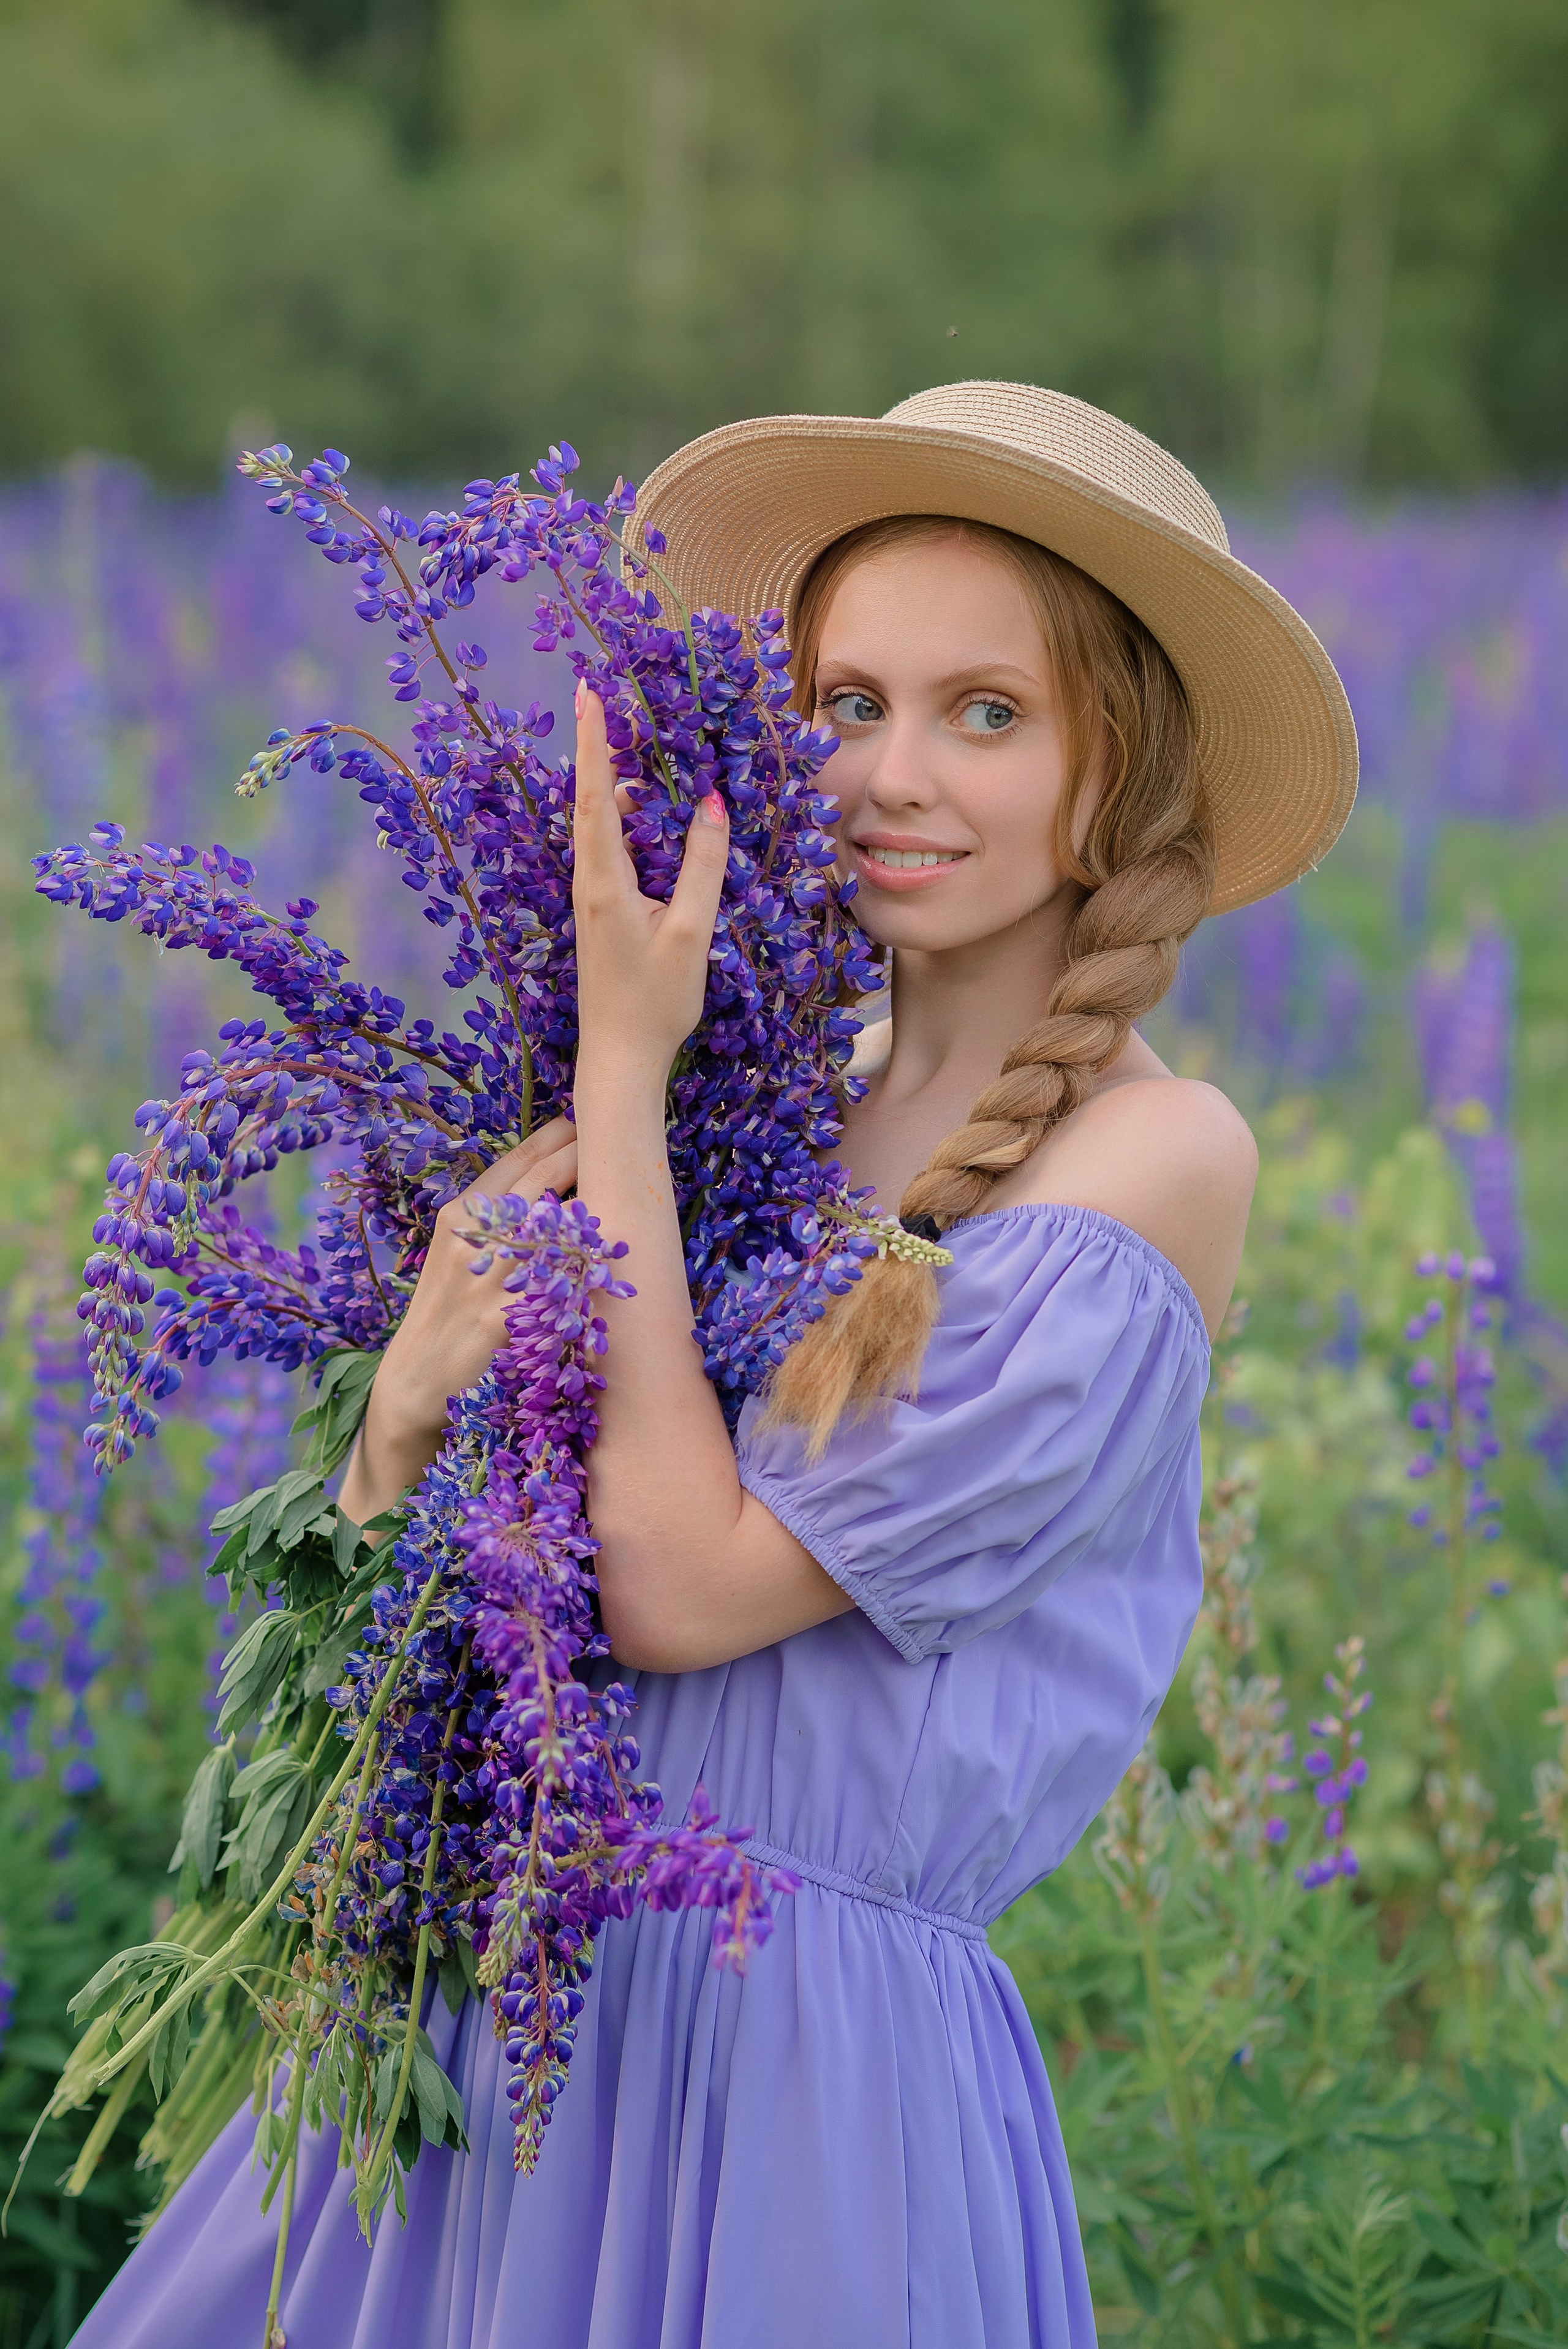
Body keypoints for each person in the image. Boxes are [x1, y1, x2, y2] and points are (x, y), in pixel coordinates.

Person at [74, 382, 1355, 2348]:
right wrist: (408, 1400)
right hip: (513, 1992)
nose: (890, 773)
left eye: (986, 712)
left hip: (793, 2073)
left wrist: (619, 1063)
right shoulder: (773, 1112)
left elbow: (677, 1585)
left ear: (1125, 769)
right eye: (847, 703)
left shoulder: (1155, 1158)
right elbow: (445, 1604)